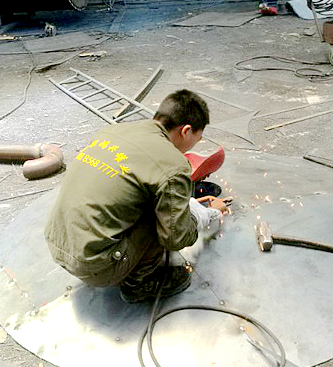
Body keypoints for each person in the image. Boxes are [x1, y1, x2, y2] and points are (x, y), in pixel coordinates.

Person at [45, 89, 230, 303]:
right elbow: (176, 238)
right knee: (166, 223)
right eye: (197, 139)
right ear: (186, 131)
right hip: (95, 265)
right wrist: (205, 214)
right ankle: (139, 284)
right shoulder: (174, 163)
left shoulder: (114, 131)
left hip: (57, 243)